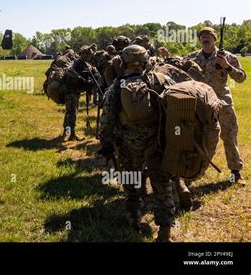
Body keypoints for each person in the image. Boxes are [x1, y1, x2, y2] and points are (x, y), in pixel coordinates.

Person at [98, 45, 176, 242]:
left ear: (124, 63)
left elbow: (106, 118)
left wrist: (106, 141)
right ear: (146, 61)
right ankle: (165, 230)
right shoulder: (161, 80)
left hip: (128, 144)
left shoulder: (116, 86)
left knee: (132, 181)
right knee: (161, 183)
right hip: (157, 143)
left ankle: (134, 218)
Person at [159, 27, 246, 184]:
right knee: (196, 137)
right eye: (202, 36)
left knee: (229, 136)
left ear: (214, 38)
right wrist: (167, 57)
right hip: (201, 106)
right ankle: (191, 172)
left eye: (208, 35)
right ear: (200, 39)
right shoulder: (193, 57)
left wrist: (227, 66)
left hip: (222, 103)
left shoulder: (227, 56)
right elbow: (175, 66)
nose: (205, 38)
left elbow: (241, 78)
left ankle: (235, 173)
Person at [62, 46, 99, 141]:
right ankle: (70, 134)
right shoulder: (76, 63)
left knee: (71, 112)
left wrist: (94, 75)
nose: (88, 56)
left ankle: (68, 133)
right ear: (82, 54)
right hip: (71, 91)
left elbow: (93, 75)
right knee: (71, 112)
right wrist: (80, 78)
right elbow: (69, 70)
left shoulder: (87, 65)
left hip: (76, 91)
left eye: (89, 54)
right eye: (86, 54)